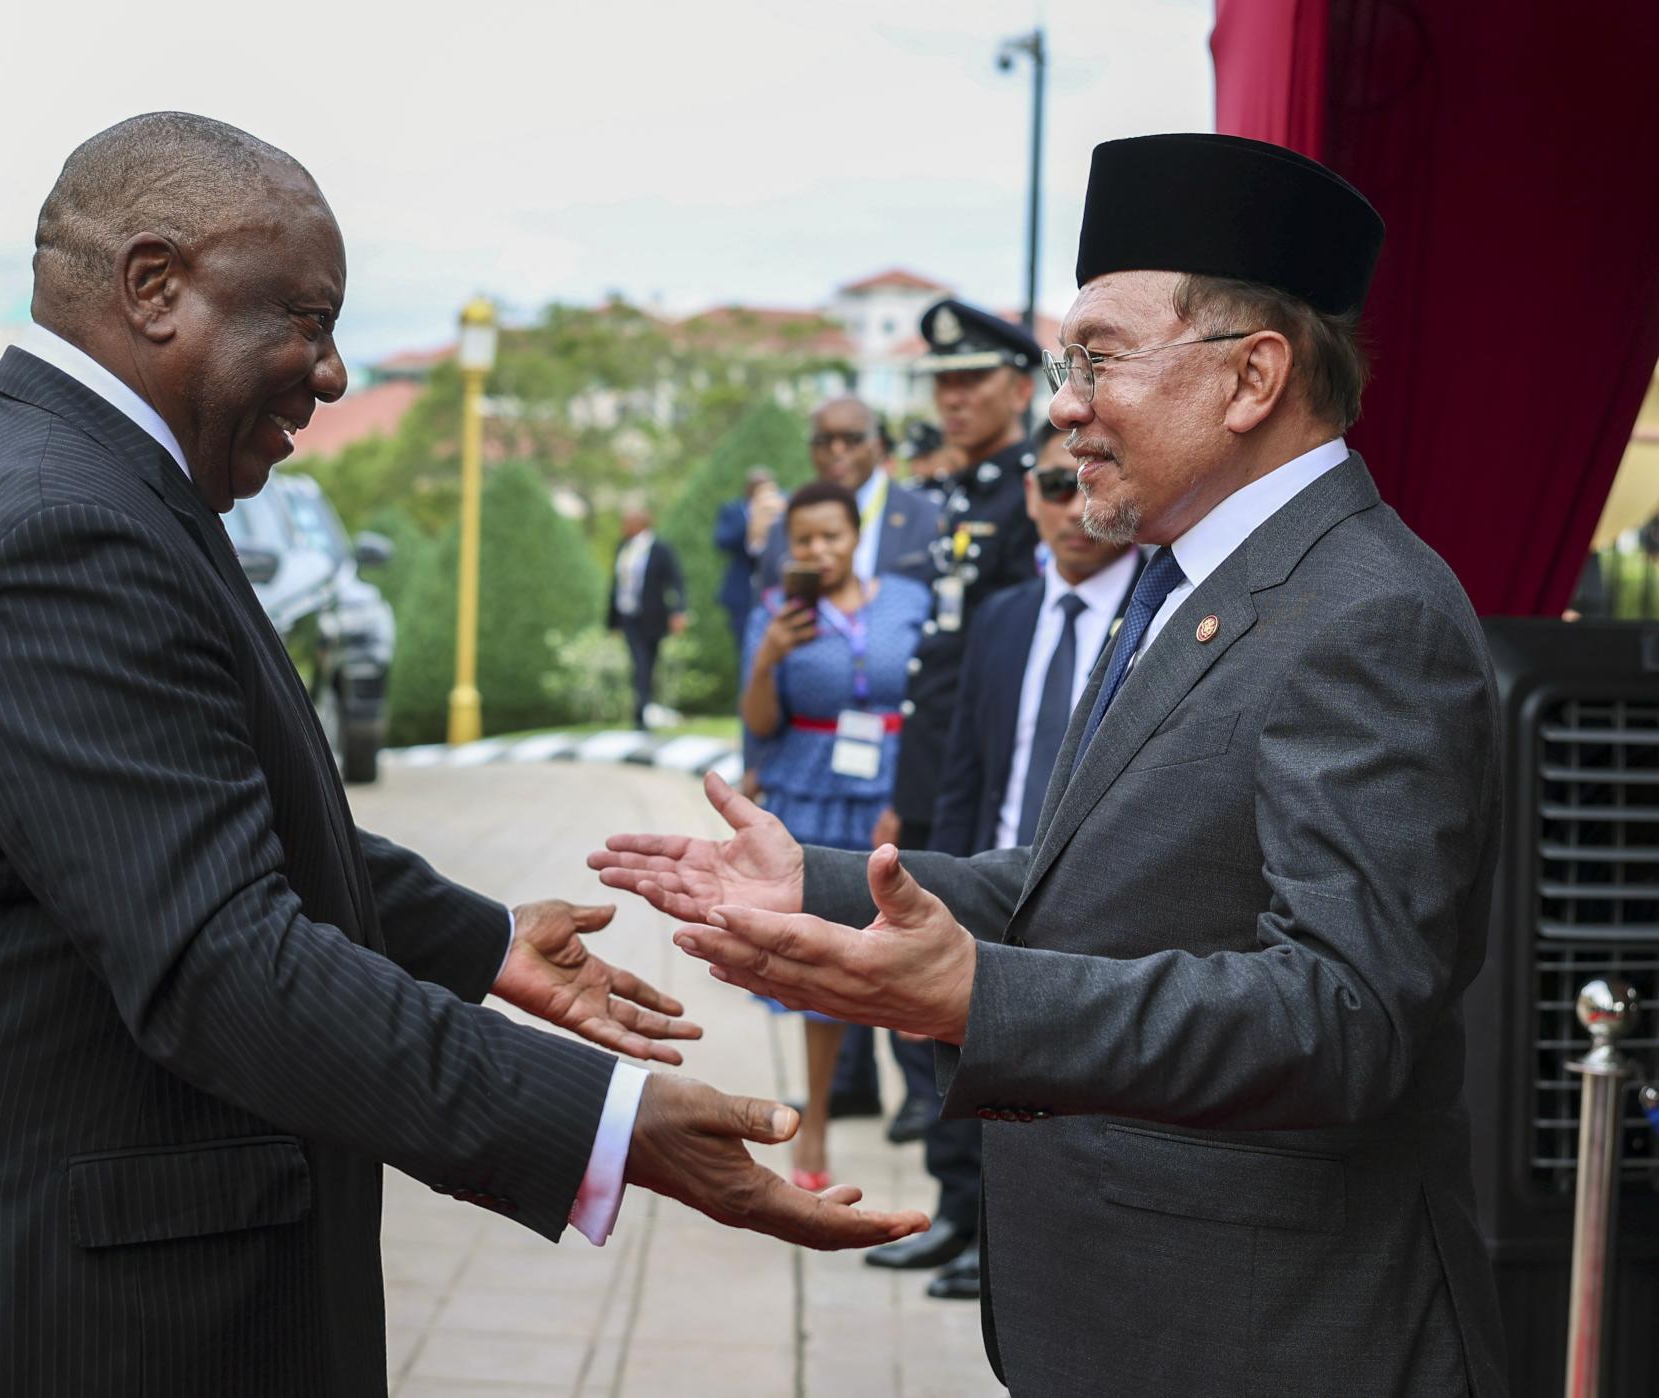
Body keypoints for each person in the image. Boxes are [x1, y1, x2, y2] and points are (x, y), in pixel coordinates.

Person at [0, 113, 925, 1398]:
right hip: (15, 1308)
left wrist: (476, 941)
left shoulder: (63, 473)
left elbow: (188, 816)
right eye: (303, 319)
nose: (333, 374)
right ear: (152, 285)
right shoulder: (63, 528)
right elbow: (218, 956)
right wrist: (604, 1120)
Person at [596, 132, 1507, 1397]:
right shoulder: (1189, 579)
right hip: (1135, 1315)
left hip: (1269, 1335)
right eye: (1059, 365)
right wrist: (818, 885)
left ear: (1250, 377)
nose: (1061, 405)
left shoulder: (1367, 611)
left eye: (1095, 360)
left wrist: (980, 998)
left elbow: (1340, 1013)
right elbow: (1087, 885)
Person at [872, 424, 1139, 1298]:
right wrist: (938, 886)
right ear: (1029, 496)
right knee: (956, 1047)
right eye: (1054, 486)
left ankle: (1022, 1246)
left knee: (1055, 1069)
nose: (1072, 505)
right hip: (989, 877)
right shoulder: (1003, 616)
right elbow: (966, 770)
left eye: (1086, 480)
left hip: (1094, 894)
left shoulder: (1160, 615)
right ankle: (960, 1217)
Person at [738, 480, 930, 1192]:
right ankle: (814, 1120)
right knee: (819, 965)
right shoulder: (775, 614)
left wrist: (912, 798)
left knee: (907, 953)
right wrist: (768, 659)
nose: (819, 550)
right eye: (804, 540)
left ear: (857, 536)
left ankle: (931, 1115)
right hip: (811, 795)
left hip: (893, 794)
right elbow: (760, 722)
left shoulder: (907, 601)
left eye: (832, 536)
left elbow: (933, 695)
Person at [874, 299, 1045, 855]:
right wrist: (907, 796)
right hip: (935, 770)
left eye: (971, 380)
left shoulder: (1038, 495)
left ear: (1021, 390)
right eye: (944, 381)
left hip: (986, 776)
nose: (952, 398)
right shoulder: (962, 492)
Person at [757, 397, 939, 590]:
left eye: (852, 439)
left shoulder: (925, 515)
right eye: (824, 440)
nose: (837, 450)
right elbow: (766, 600)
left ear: (878, 445)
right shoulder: (790, 519)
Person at [607, 505, 687, 730]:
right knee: (639, 663)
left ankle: (643, 710)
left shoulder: (660, 549)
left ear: (639, 523)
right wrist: (612, 621)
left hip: (652, 618)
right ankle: (640, 714)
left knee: (648, 665)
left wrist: (678, 611)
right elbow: (616, 585)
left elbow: (676, 581)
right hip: (628, 617)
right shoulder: (623, 548)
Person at [713, 467, 781, 666]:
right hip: (743, 593)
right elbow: (722, 541)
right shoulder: (734, 510)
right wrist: (754, 517)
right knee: (746, 653)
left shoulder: (783, 505)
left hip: (777, 590)